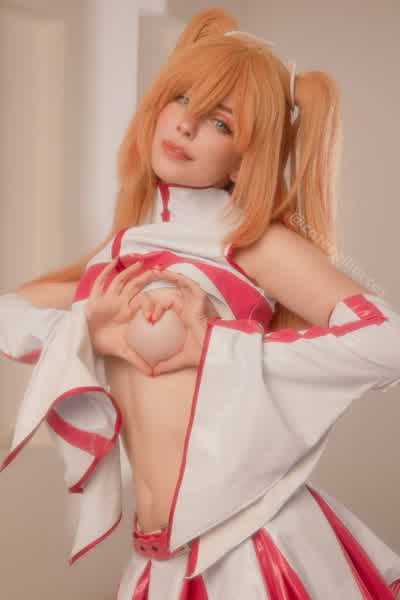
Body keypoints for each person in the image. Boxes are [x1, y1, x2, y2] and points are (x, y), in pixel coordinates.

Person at [1, 7, 400, 599]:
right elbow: (9, 313)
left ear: (248, 154)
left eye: (219, 121)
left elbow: (388, 341)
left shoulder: (250, 242)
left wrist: (221, 345)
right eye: (180, 97)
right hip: (160, 559)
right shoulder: (124, 253)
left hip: (253, 548)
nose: (185, 124)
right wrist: (88, 330)